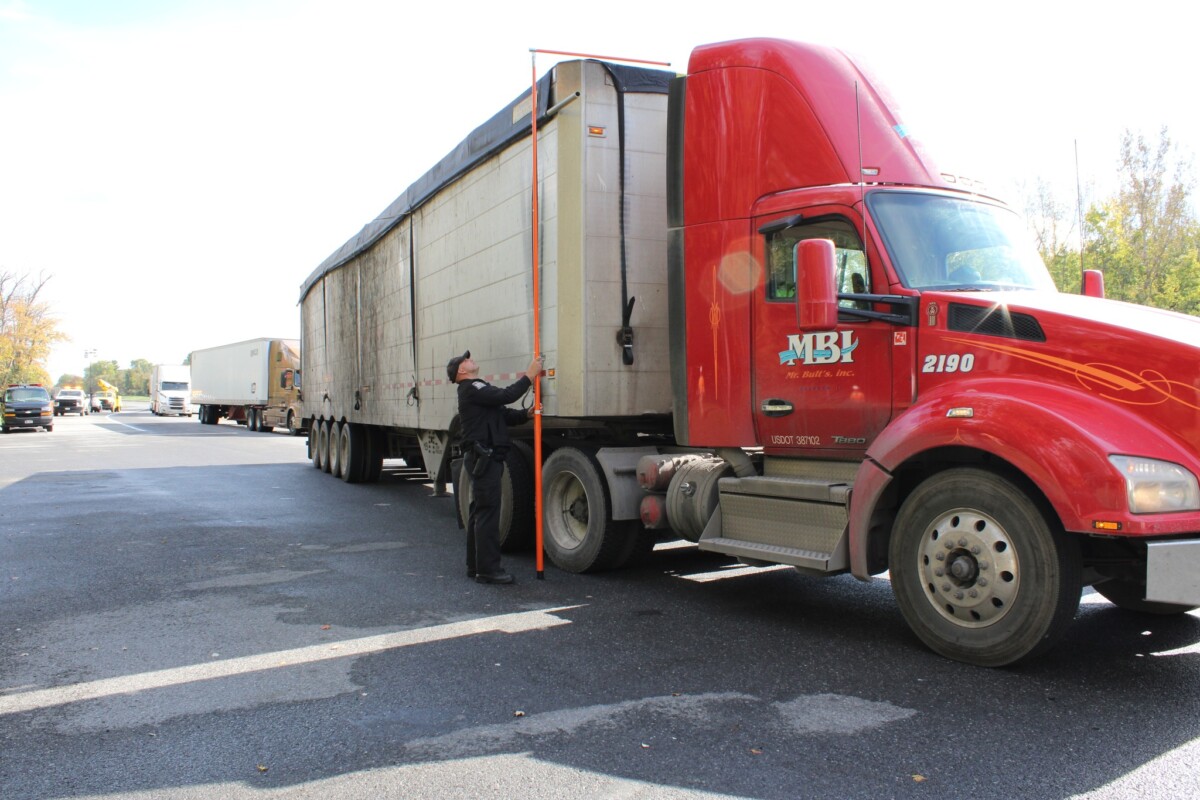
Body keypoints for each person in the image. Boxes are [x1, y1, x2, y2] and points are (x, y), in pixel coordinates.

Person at [448, 349, 542, 584]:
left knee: (480, 512)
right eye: (466, 359)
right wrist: (529, 376)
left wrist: (525, 415)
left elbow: (502, 414)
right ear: (461, 370)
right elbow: (506, 395)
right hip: (484, 458)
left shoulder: (476, 390)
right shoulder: (472, 388)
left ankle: (475, 566)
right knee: (488, 513)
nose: (471, 360)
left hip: (484, 457)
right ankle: (488, 570)